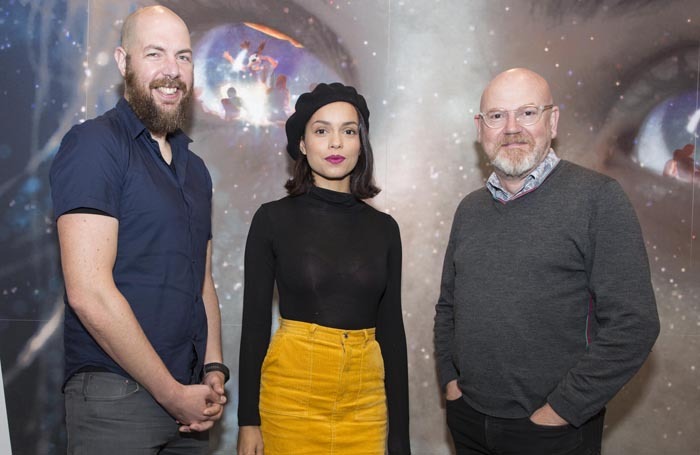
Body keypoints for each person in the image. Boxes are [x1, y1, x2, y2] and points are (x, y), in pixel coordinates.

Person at [433, 68, 660, 455]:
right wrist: (451, 384)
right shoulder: (469, 209)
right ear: (480, 127)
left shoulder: (598, 199)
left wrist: (558, 412)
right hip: (468, 422)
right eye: (497, 115)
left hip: (552, 433)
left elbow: (634, 325)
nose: (511, 128)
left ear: (552, 121)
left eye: (527, 113)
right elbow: (448, 306)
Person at [50, 6, 228, 454]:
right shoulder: (95, 145)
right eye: (155, 54)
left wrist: (214, 368)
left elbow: (201, 282)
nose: (172, 71)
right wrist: (170, 393)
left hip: (189, 407)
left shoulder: (196, 170)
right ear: (123, 61)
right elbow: (88, 291)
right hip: (117, 399)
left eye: (184, 57)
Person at [237, 83, 410, 455]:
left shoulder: (385, 229)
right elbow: (253, 326)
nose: (336, 143)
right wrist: (247, 421)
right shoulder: (271, 220)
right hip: (290, 400)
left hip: (365, 407)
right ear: (301, 144)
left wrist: (400, 439)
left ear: (361, 143)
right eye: (321, 130)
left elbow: (392, 334)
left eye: (348, 131)